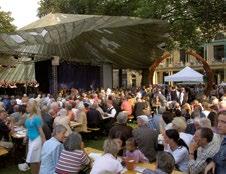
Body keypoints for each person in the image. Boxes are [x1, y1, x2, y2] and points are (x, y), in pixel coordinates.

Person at [19, 100, 46, 174]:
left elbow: (40, 131)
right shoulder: (28, 116)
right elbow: (28, 128)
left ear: (32, 107)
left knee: (34, 158)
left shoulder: (36, 118)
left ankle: (36, 171)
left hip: (37, 139)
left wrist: (44, 142)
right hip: (31, 140)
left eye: (28, 106)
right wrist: (25, 137)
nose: (26, 108)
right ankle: (35, 172)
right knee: (34, 159)